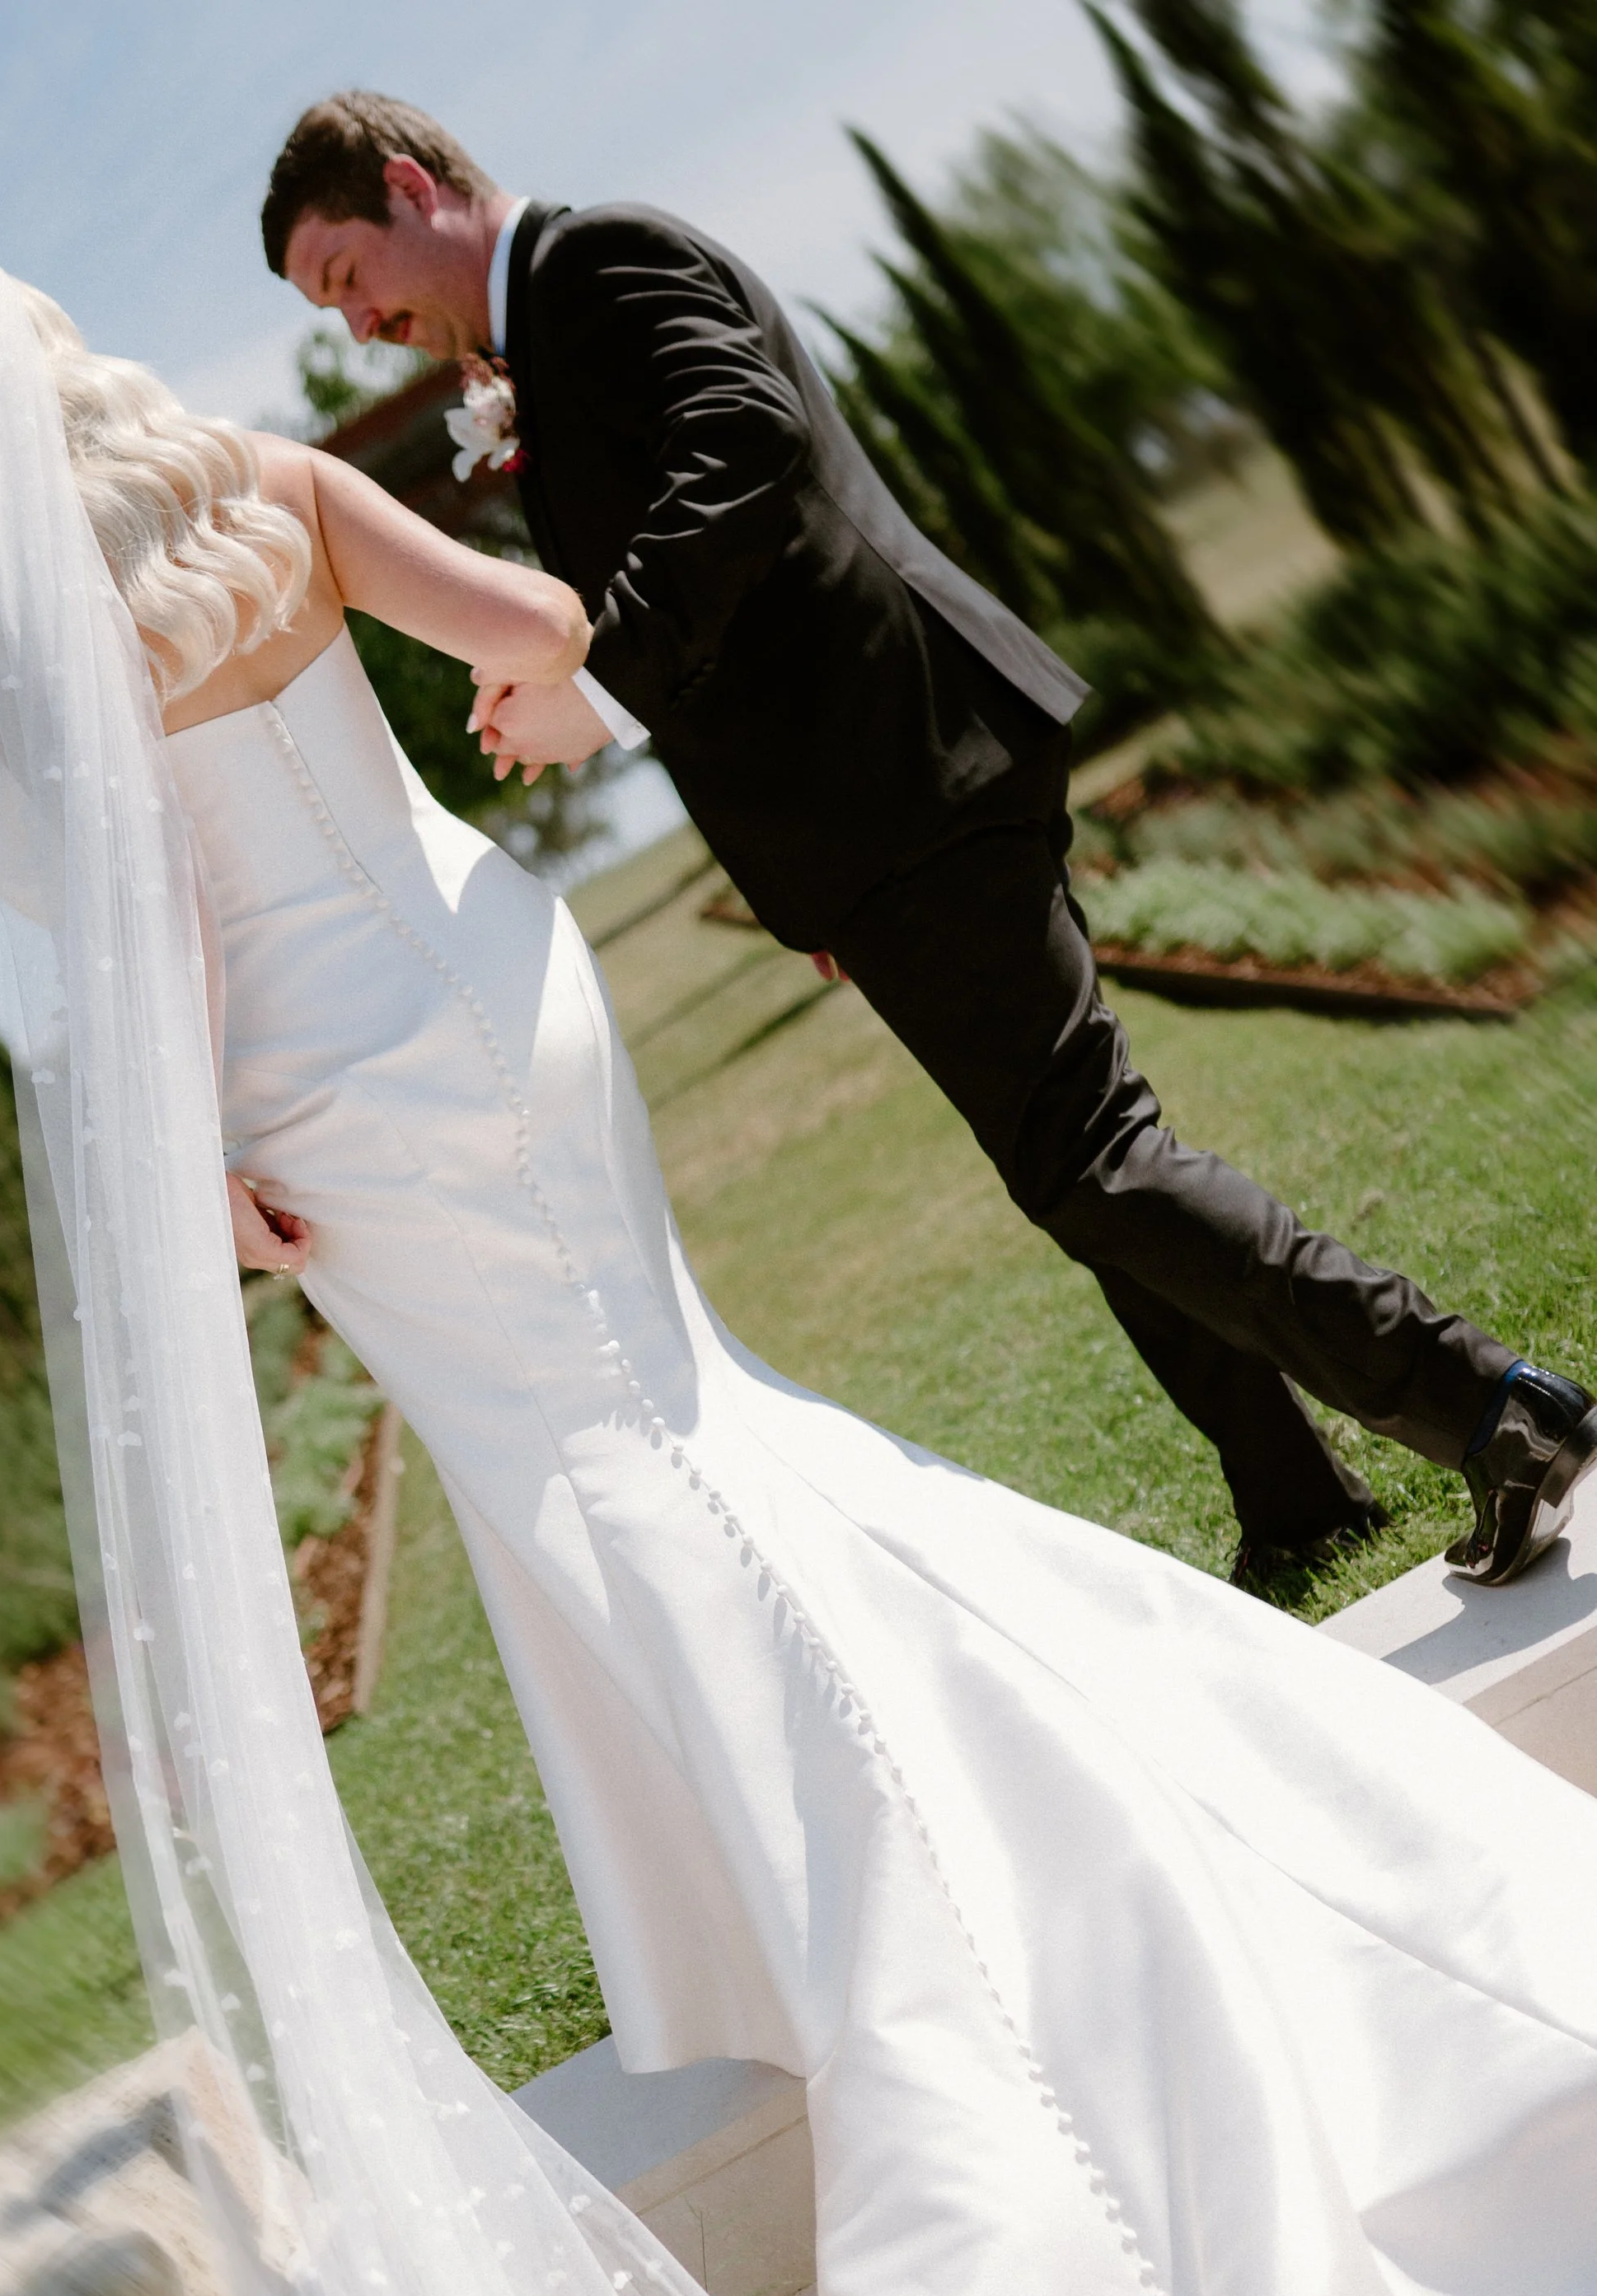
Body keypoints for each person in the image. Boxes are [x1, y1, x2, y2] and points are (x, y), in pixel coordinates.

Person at [0, 249, 1597, 2296]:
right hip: (495, 995)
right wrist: (503, 736)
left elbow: (140, 939)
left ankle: (902, 1922)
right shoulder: (265, 488)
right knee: (708, 1444)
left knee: (641, 1494)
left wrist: (201, 1192)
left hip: (330, 1092)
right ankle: (994, 1823)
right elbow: (531, 630)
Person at [262, 90, 1597, 1597]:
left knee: (1092, 1155)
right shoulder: (544, 335)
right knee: (1076, 1165)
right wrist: (799, 872)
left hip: (918, 773)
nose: (359, 322)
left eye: (345, 277)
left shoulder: (599, 265)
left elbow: (748, 442)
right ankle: (1293, 1494)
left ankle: (1493, 1405)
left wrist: (603, 682)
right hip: (877, 809)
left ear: (404, 185)